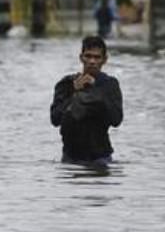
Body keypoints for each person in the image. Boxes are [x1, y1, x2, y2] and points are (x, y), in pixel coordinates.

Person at [50, 36, 123, 165]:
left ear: (104, 60)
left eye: (97, 57)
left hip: (100, 157)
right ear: (81, 58)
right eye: (88, 56)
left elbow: (116, 120)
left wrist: (95, 90)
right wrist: (74, 91)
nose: (92, 61)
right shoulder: (66, 84)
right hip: (70, 157)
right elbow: (55, 119)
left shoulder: (110, 85)